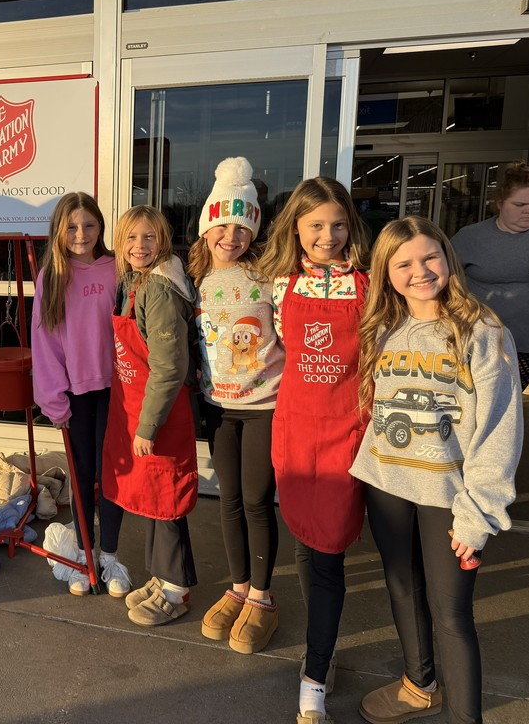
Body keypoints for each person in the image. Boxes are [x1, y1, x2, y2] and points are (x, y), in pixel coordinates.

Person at [352, 216, 521, 724]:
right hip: (386, 485)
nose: (419, 271)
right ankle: (419, 685)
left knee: (451, 615)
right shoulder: (382, 325)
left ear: (448, 257)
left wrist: (480, 512)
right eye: (403, 263)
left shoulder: (482, 331)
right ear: (387, 272)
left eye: (429, 257)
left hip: (448, 497)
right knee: (402, 589)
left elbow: (499, 430)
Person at [258, 176, 372, 724]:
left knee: (329, 552)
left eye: (337, 224)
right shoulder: (279, 285)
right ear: (296, 229)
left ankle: (315, 672)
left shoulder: (374, 285)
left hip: (353, 432)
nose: (327, 236)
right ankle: (318, 654)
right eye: (315, 226)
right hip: (298, 431)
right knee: (306, 544)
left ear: (351, 225)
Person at [188, 158, 284, 654]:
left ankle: (263, 598)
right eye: (222, 224)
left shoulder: (268, 276)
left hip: (265, 406)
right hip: (218, 406)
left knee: (255, 499)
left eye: (242, 225)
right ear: (206, 227)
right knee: (227, 501)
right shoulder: (195, 279)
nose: (231, 235)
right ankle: (239, 586)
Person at [102, 204, 199, 627]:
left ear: (162, 241)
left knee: (167, 497)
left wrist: (147, 425)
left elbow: (169, 367)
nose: (139, 246)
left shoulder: (157, 289)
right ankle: (163, 577)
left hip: (160, 414)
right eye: (131, 238)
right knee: (154, 497)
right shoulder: (132, 282)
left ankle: (176, 590)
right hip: (141, 408)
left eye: (149, 237)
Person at [31, 191, 129, 597]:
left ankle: (109, 556)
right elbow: (45, 342)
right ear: (59, 230)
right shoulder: (52, 276)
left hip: (117, 391)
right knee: (82, 476)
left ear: (101, 226)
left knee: (114, 478)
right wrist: (54, 400)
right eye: (71, 226)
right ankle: (85, 555)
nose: (81, 233)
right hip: (75, 395)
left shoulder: (116, 269)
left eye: (89, 225)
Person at [452, 161, 529, 396]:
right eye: (519, 204)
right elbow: (445, 282)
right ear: (500, 204)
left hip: (527, 346)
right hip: (478, 341)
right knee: (475, 400)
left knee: (506, 401)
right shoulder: (470, 238)